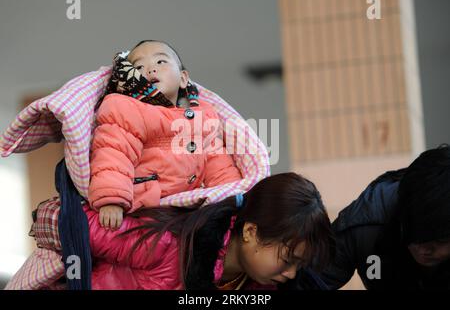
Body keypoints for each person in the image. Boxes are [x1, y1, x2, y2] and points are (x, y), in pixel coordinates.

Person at [32, 172, 334, 290]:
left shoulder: (260, 285)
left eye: (299, 265)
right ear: (251, 232)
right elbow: (59, 218)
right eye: (288, 259)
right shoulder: (169, 243)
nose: (292, 274)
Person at [89, 40, 242, 230]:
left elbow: (216, 161)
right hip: (146, 206)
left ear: (183, 78)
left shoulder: (202, 114)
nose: (151, 69)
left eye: (161, 62)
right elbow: (114, 152)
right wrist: (112, 198)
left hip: (189, 208)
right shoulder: (126, 108)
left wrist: (232, 197)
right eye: (139, 66)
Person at [285, 145, 450, 290]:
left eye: (438, 241)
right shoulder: (366, 222)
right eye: (414, 233)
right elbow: (310, 282)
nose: (423, 249)